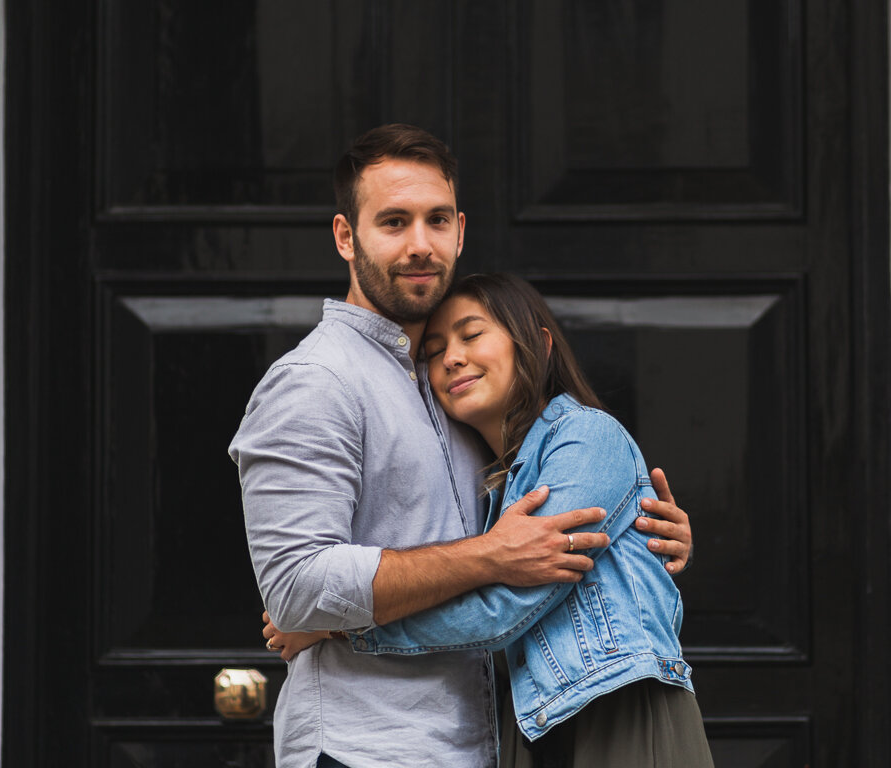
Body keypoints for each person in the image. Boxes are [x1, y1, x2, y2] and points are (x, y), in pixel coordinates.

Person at [229, 124, 693, 768]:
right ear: (345, 236)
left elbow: (546, 560)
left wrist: (642, 535)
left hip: (487, 746)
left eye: (436, 220)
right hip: (367, 750)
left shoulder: (458, 392)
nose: (420, 245)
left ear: (460, 230)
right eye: (393, 222)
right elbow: (297, 589)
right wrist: (488, 555)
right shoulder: (316, 383)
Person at [269, 274, 713, 767]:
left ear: (539, 346)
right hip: (535, 727)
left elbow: (507, 605)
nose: (451, 358)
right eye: (434, 351)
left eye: (471, 334)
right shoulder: (490, 486)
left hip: (617, 711)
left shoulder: (586, 435)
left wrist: (344, 631)